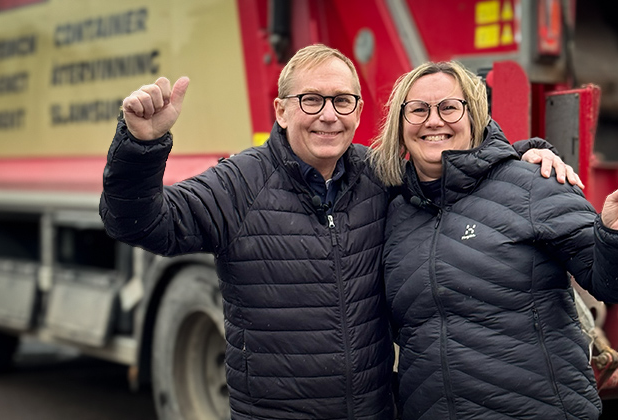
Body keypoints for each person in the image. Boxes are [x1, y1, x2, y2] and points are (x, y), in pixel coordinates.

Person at [100, 44, 578, 420]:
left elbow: (453, 171)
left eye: (342, 100)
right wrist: (141, 146)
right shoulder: (239, 183)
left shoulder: (380, 175)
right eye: (311, 99)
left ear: (357, 109)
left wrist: (526, 155)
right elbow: (142, 222)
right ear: (282, 110)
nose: (328, 114)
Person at [369, 61, 618, 420]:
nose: (434, 121)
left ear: (475, 116)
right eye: (418, 109)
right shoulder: (394, 212)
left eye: (449, 107)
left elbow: (616, 286)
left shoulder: (532, 185)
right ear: (399, 126)